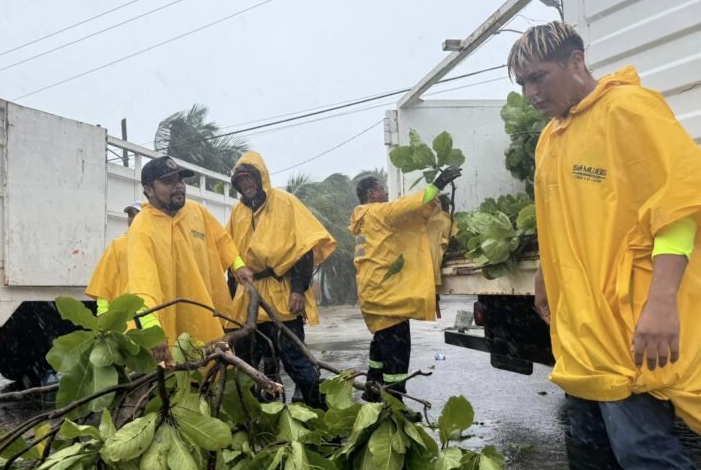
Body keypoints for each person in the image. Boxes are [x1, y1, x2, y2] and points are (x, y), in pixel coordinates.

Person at [509, 21, 701, 470]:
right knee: (585, 427)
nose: (531, 93)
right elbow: (553, 214)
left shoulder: (629, 110)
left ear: (577, 62)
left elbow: (679, 206)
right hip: (581, 317)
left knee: (642, 441)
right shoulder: (551, 137)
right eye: (522, 84)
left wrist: (662, 303)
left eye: (538, 78)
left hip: (629, 313)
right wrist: (546, 278)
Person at [225, 152, 336, 408]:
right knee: (245, 361)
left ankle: (317, 410)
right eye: (241, 181)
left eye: (250, 179)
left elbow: (305, 249)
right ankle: (251, 414)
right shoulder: (237, 212)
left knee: (296, 359)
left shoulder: (286, 203)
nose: (247, 185)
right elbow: (230, 256)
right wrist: (232, 300)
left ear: (261, 177)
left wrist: (298, 290)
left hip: (282, 292)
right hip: (249, 296)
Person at [126, 156, 253, 362]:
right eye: (168, 182)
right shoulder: (142, 228)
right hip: (165, 326)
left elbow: (222, 240)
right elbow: (142, 286)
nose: (178, 187)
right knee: (174, 380)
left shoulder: (196, 212)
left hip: (202, 315)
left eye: (180, 180)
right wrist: (152, 330)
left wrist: (238, 266)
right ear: (149, 190)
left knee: (210, 373)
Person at [350, 168, 460, 401]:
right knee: (397, 352)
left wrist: (436, 204)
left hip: (372, 295)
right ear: (372, 193)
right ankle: (394, 401)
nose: (386, 191)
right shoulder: (380, 211)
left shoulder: (362, 219)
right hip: (389, 298)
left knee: (381, 346)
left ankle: (373, 389)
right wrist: (437, 184)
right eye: (382, 188)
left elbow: (405, 222)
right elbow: (408, 206)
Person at [86, 201, 142, 315]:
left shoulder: (156, 246)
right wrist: (103, 314)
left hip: (148, 313)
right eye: (130, 215)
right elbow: (104, 281)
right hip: (121, 318)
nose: (133, 218)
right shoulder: (118, 245)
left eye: (138, 215)